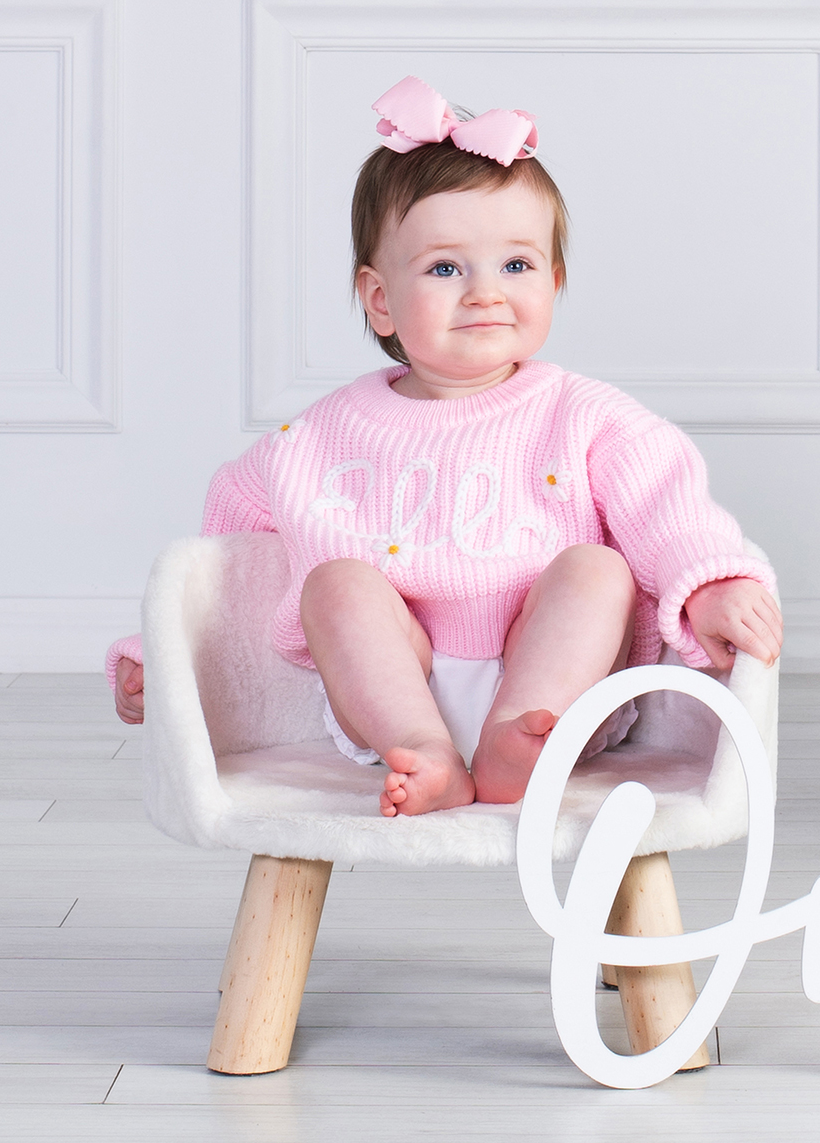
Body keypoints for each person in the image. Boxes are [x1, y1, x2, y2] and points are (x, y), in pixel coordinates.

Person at [108, 76, 782, 817]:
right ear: (381, 300)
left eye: (516, 265)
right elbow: (223, 564)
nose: (486, 292)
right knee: (334, 585)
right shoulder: (317, 438)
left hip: (554, 691)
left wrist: (709, 581)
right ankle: (427, 753)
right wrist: (165, 653)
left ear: (554, 280)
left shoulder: (584, 415)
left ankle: (516, 743)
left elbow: (667, 505)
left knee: (598, 569)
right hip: (391, 692)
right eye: (444, 268)